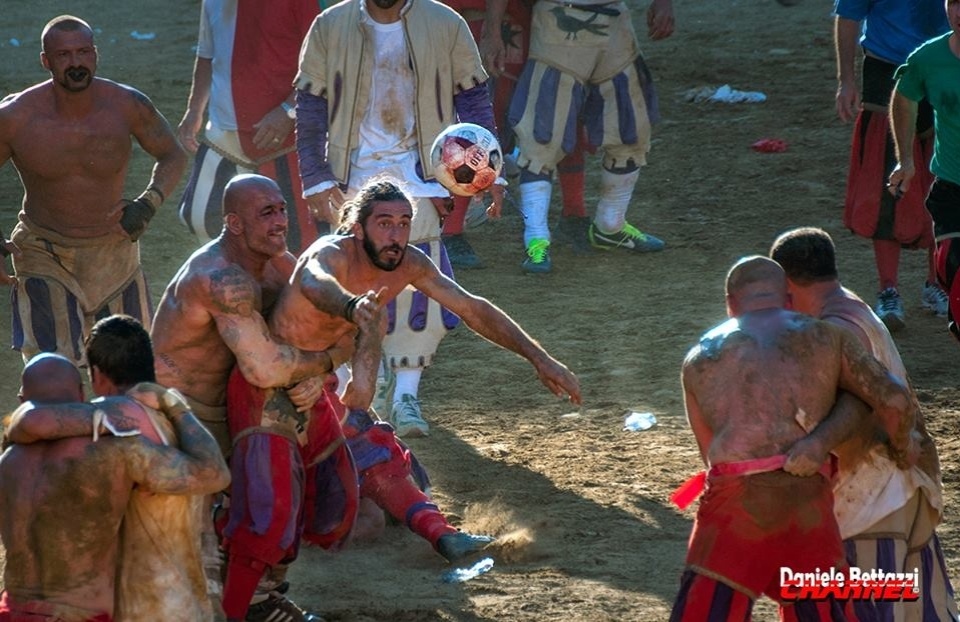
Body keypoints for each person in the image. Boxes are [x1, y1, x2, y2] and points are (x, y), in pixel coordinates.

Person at [220, 176, 580, 621]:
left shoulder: (408, 263)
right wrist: (354, 312)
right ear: (357, 226)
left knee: (373, 491)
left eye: (404, 223)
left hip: (318, 388)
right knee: (277, 514)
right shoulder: (329, 255)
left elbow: (472, 307)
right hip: (271, 389)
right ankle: (246, 599)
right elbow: (313, 281)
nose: (395, 235)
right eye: (384, 223)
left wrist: (540, 359)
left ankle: (440, 534)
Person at [294, 0, 505, 436]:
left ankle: (406, 395)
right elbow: (310, 106)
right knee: (348, 281)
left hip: (423, 179)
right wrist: (315, 177)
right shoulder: (329, 25)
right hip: (349, 177)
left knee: (417, 283)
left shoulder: (446, 24)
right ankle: (350, 391)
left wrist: (490, 171)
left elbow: (474, 99)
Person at [670, 255, 918, 620]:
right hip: (807, 507)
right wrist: (903, 446)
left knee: (706, 613)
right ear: (787, 298)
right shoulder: (829, 336)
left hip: (734, 510)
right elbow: (894, 399)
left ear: (730, 304)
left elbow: (712, 460)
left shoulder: (699, 357)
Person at [151, 174, 349, 622]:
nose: (281, 222)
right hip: (180, 416)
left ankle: (262, 597)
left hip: (239, 407)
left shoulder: (280, 266)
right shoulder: (219, 279)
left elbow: (327, 330)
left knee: (286, 494)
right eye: (268, 214)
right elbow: (264, 366)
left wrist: (320, 373)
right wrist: (326, 362)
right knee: (200, 547)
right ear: (235, 224)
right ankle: (245, 603)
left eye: (282, 210)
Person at [770, 227, 957, 621]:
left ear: (785, 282)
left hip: (872, 504)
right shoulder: (852, 307)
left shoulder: (837, 329)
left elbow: (865, 399)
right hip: (896, 493)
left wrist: (817, 443)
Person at [5, 315, 233, 621]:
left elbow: (30, 422)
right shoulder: (116, 449)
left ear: (21, 398)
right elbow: (213, 473)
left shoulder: (8, 461)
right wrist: (173, 404)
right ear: (82, 395)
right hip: (84, 613)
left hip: (11, 609)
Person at [0, 15, 187, 365]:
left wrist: (148, 203)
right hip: (44, 251)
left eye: (83, 52)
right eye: (64, 55)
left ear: (95, 55)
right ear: (46, 61)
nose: (76, 63)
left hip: (114, 252)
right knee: (53, 372)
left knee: (127, 374)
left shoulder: (127, 104)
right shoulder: (16, 116)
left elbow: (173, 154)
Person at [498, 0, 674, 272]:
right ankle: (536, 239)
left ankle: (610, 224)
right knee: (541, 136)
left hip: (615, 24)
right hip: (558, 23)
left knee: (631, 127)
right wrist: (492, 30)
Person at [439, 0, 594, 266]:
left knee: (562, 111)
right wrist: (493, 29)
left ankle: (575, 214)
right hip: (479, 21)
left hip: (540, 21)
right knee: (484, 115)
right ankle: (451, 231)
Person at [833, 0, 948, 331]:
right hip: (887, 71)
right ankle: (888, 290)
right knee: (886, 186)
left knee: (944, 180)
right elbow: (848, 15)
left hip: (943, 68)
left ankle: (937, 283)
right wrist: (846, 80)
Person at [177, 0, 324, 253]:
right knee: (199, 216)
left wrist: (288, 111)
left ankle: (285, 290)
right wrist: (194, 110)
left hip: (284, 140)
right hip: (223, 131)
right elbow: (206, 53)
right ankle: (237, 283)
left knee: (295, 237)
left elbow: (324, 60)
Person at [888, 0, 960, 341]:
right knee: (953, 274)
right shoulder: (927, 59)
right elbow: (903, 96)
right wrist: (906, 159)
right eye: (954, 2)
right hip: (952, 188)